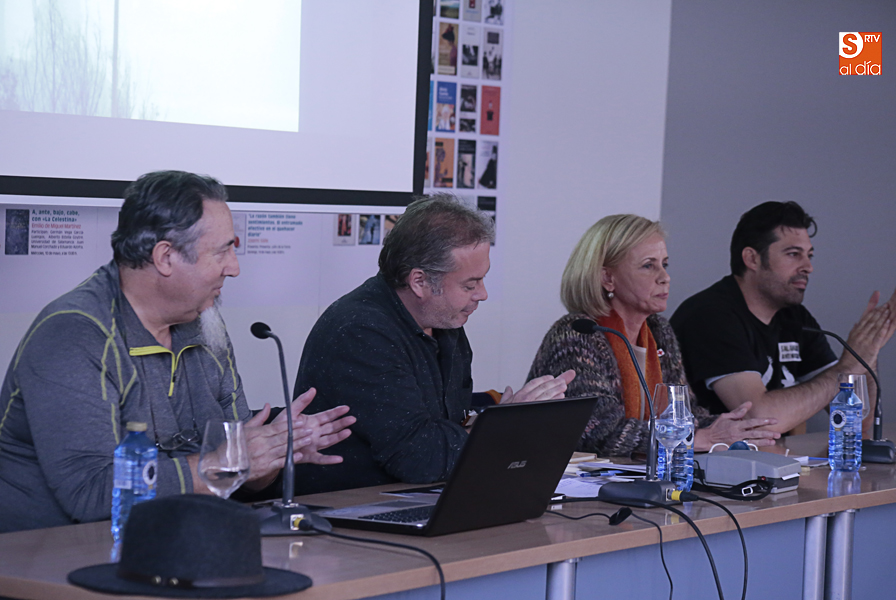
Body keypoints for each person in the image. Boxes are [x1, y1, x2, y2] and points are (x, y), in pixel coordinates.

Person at [0, 171, 355, 533]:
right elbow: (91, 493)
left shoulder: (205, 322)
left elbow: (237, 477)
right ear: (165, 257)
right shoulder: (74, 334)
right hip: (51, 555)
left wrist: (272, 453)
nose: (234, 268)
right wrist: (225, 462)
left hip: (177, 540)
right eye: (222, 251)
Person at [294, 194, 575, 494]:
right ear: (420, 282)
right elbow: (421, 458)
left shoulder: (445, 322)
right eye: (470, 284)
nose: (483, 294)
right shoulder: (361, 331)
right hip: (343, 512)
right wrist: (499, 428)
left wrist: (490, 424)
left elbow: (447, 430)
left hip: (418, 499)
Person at [528, 214, 780, 457]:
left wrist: (733, 428)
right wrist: (698, 437)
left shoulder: (659, 331)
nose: (665, 277)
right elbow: (598, 432)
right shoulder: (577, 334)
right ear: (607, 278)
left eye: (665, 264)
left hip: (636, 479)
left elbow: (683, 414)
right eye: (649, 266)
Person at [671, 201, 896, 434]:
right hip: (711, 464)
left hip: (774, 463)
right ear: (752, 259)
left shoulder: (794, 317)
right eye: (793, 254)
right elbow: (758, 419)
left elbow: (858, 422)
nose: (808, 267)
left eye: (809, 255)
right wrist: (850, 365)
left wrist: (868, 352)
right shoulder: (710, 316)